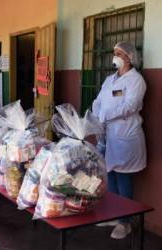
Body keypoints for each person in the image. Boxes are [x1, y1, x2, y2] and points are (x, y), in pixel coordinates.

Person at [92, 41, 146, 239]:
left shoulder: (136, 80)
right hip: (108, 135)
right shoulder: (110, 79)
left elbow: (131, 105)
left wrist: (106, 115)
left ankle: (126, 222)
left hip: (126, 136)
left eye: (119, 53)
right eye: (114, 52)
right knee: (111, 174)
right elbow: (98, 101)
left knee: (123, 177)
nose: (114, 56)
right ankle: (115, 215)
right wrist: (97, 116)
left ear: (129, 58)